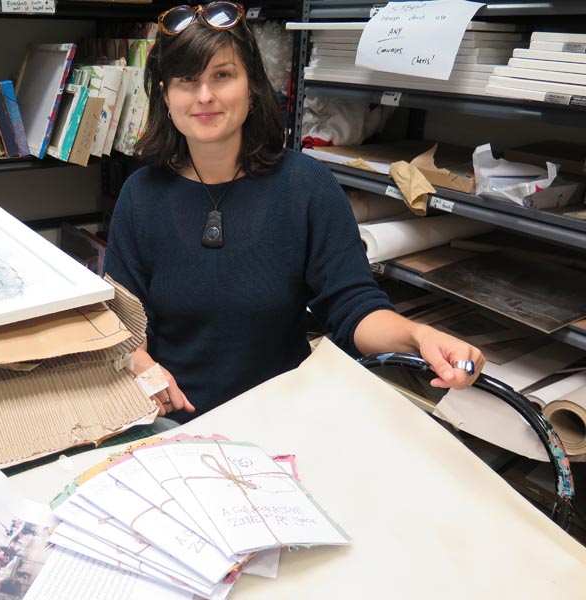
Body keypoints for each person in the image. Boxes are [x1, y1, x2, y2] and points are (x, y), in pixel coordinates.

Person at [105, 1, 485, 424]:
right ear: (165, 96)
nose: (205, 96)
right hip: (171, 423)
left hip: (282, 420)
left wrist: (418, 336)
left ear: (252, 85)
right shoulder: (141, 195)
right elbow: (120, 325)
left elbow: (353, 306)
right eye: (187, 81)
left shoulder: (305, 185)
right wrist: (140, 366)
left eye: (223, 75)